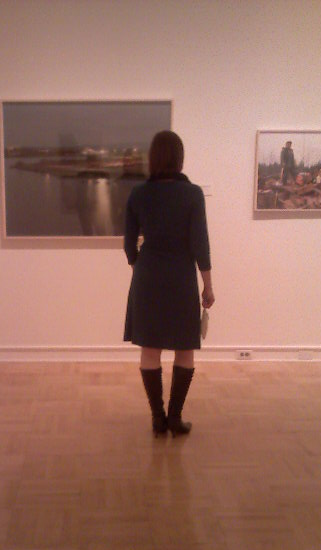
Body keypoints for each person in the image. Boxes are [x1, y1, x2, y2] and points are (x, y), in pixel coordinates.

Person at [123, 130, 214, 437]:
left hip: (147, 277)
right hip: (180, 278)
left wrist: (140, 266)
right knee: (185, 348)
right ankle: (175, 418)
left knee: (150, 349)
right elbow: (200, 244)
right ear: (179, 158)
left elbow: (129, 244)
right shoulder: (192, 194)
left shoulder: (138, 194)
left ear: (153, 158)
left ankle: (157, 419)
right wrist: (208, 285)